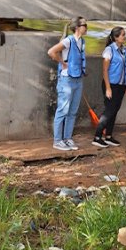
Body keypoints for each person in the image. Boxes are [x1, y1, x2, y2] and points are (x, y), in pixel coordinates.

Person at [47, 17, 88, 151]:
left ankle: (67, 138)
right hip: (67, 79)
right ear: (77, 27)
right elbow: (51, 52)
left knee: (72, 111)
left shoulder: (82, 41)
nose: (86, 27)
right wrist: (62, 62)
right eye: (84, 25)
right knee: (63, 110)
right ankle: (57, 140)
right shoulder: (68, 41)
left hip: (78, 79)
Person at [92, 27, 126, 148]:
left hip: (121, 84)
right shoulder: (109, 50)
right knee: (109, 111)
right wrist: (108, 87)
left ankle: (108, 136)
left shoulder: (124, 50)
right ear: (116, 37)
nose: (125, 37)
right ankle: (97, 136)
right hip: (111, 84)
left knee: (115, 110)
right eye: (123, 35)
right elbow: (105, 70)